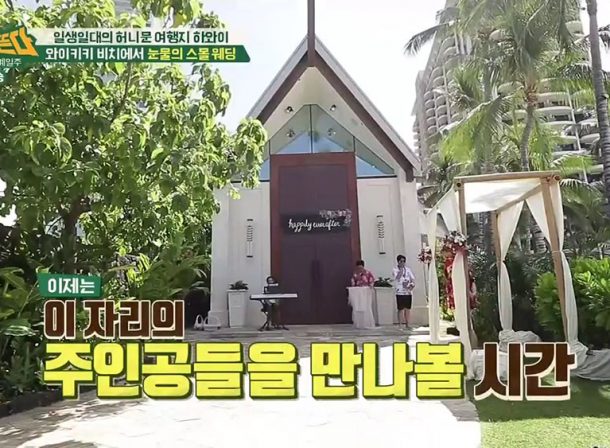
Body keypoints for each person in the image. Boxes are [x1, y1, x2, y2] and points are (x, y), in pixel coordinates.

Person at [392, 255, 415, 329]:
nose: (403, 263)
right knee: (400, 308)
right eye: (401, 261)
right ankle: (400, 324)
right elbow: (397, 278)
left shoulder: (408, 269)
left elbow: (412, 279)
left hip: (407, 291)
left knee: (407, 308)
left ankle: (407, 324)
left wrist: (412, 284)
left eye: (404, 261)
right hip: (400, 291)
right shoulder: (395, 269)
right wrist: (401, 270)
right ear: (398, 261)